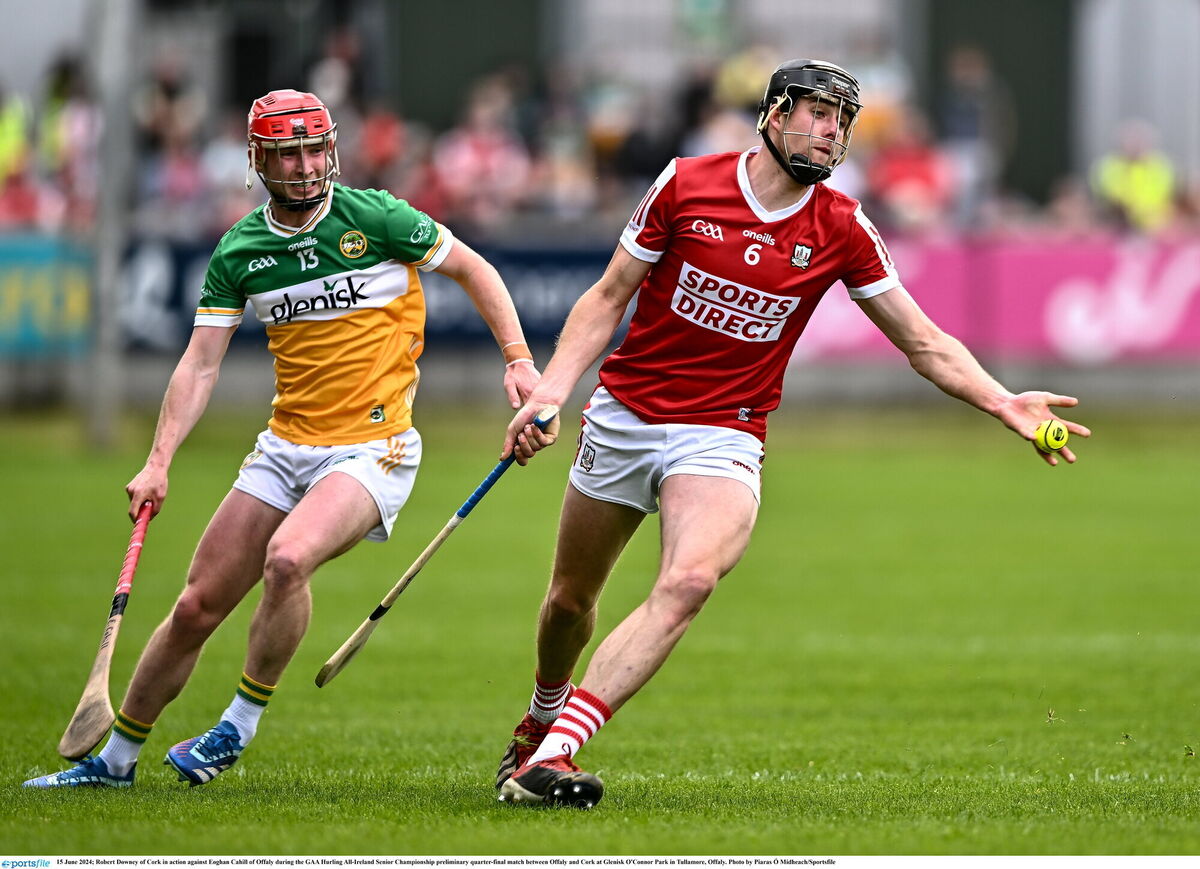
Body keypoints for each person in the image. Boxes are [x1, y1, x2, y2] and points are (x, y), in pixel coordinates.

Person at [493, 59, 1091, 809]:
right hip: (626, 414)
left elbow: (924, 341)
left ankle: (553, 754)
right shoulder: (685, 182)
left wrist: (1005, 402)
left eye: (841, 120)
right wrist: (552, 389)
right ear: (773, 116)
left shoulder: (841, 225)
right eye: (815, 112)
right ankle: (540, 715)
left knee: (687, 582)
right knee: (570, 602)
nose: (829, 130)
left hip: (724, 433)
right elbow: (609, 295)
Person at [24, 89, 540, 788]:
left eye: (311, 149)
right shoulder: (243, 250)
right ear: (257, 160)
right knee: (195, 605)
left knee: (287, 559)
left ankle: (237, 724)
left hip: (373, 446)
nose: (302, 166)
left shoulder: (377, 217)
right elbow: (200, 364)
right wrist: (157, 461)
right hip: (284, 445)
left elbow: (475, 269)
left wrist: (517, 360)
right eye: (285, 153)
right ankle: (115, 761)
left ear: (331, 149)